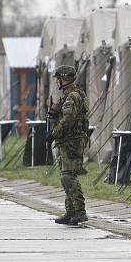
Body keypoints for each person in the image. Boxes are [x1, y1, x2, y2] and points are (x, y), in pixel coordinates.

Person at [49, 65, 89, 225]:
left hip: (72, 141)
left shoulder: (72, 96)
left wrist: (54, 133)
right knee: (66, 175)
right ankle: (70, 211)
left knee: (68, 176)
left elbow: (68, 120)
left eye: (58, 78)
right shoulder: (69, 95)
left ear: (64, 79)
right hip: (68, 140)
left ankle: (80, 211)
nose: (57, 81)